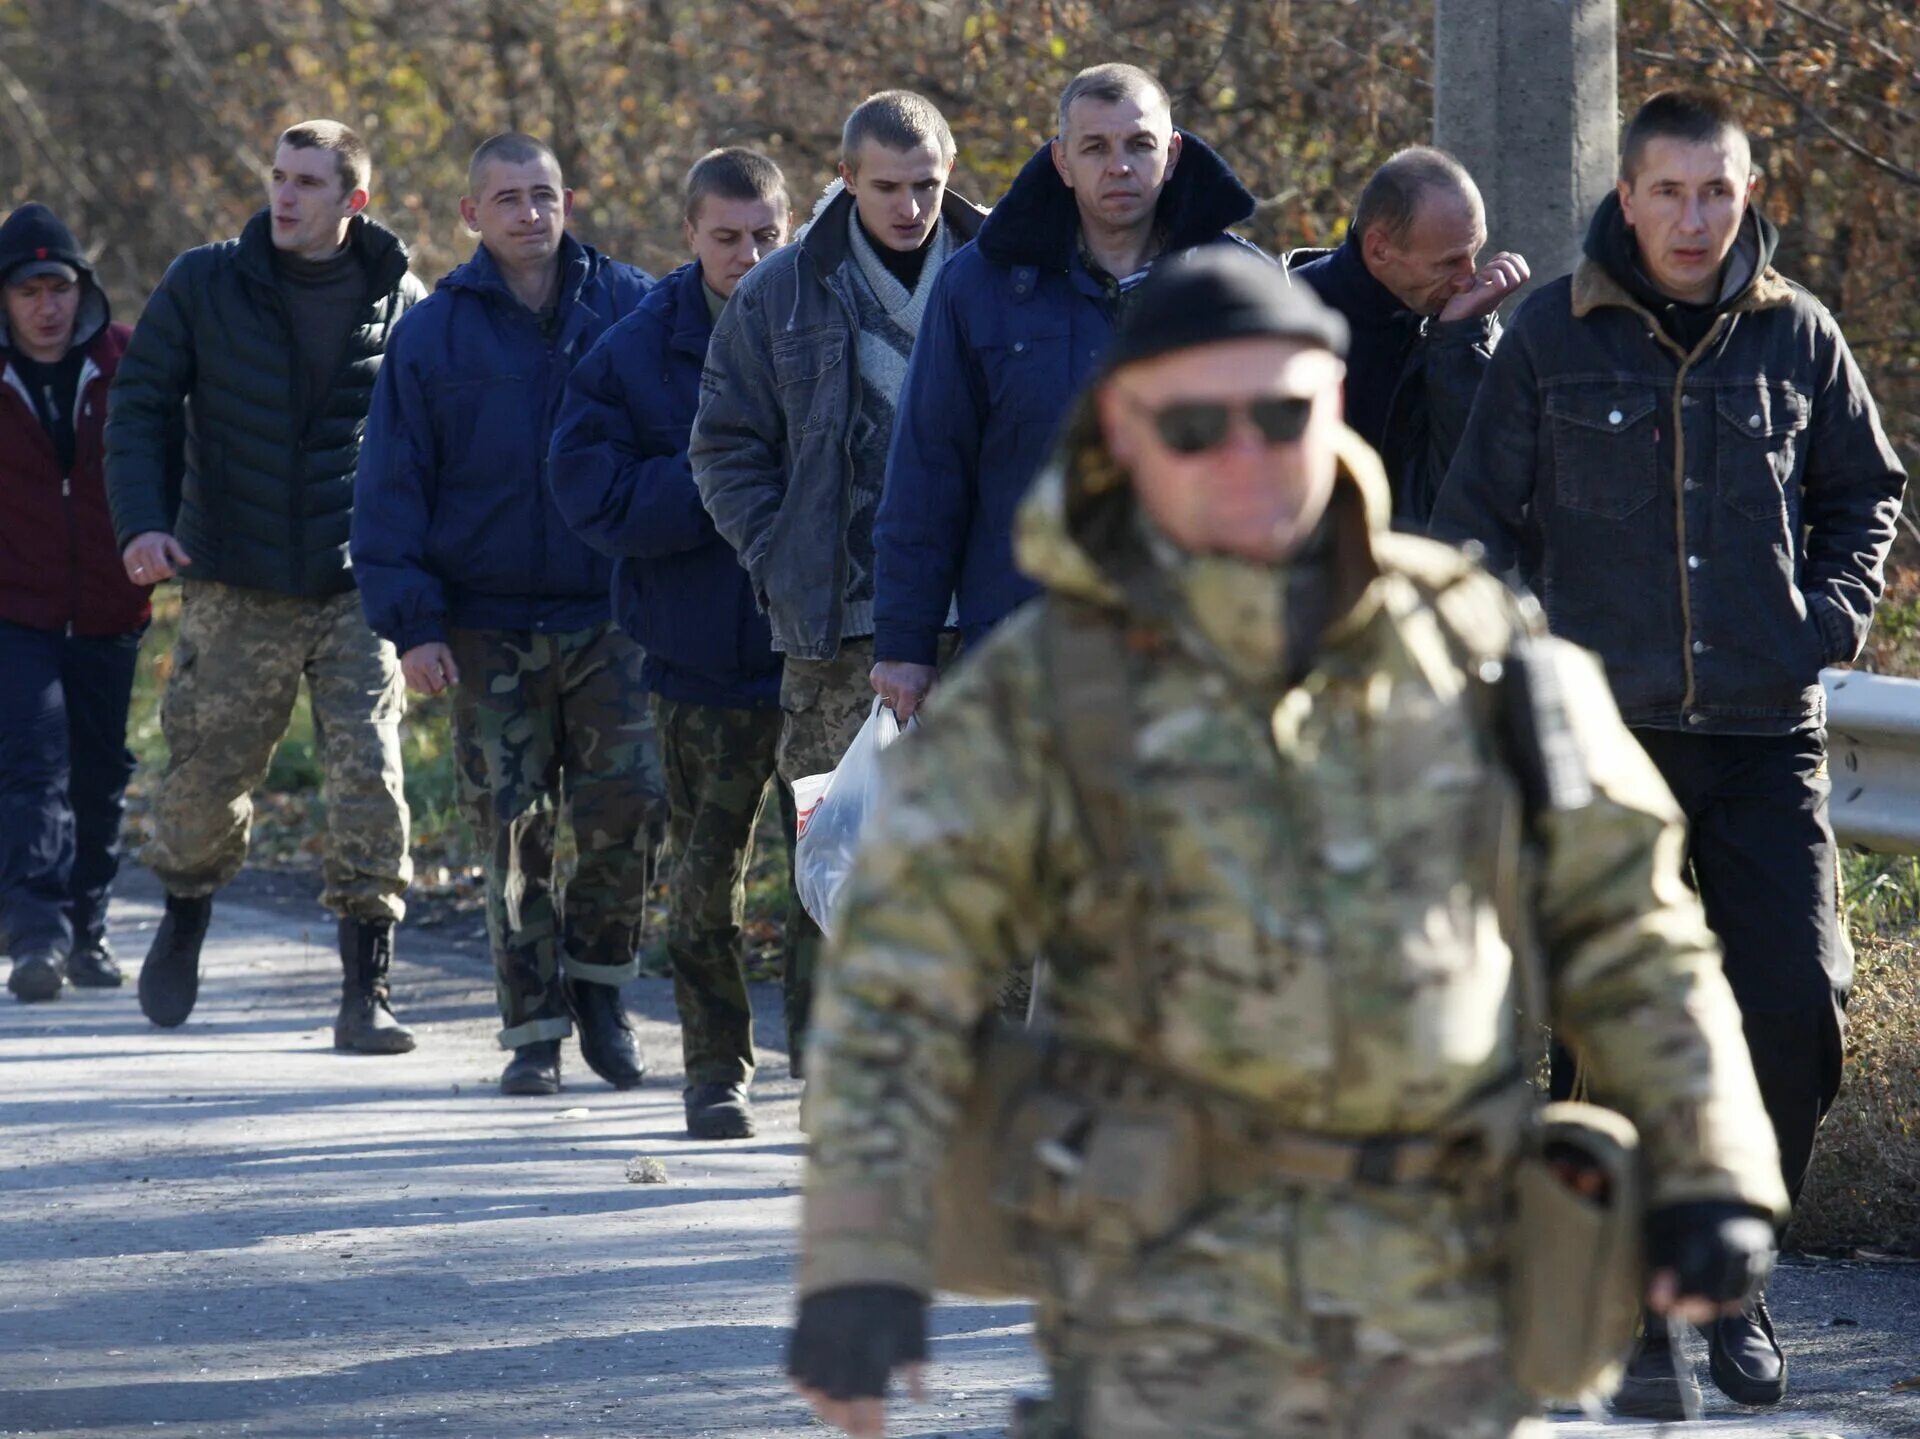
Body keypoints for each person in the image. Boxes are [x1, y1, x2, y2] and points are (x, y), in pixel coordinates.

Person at [786, 249, 1790, 1439]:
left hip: (1438, 1307)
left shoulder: (1472, 649)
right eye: (1198, 424)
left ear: (1332, 404)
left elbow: (1634, 932)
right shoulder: (1044, 687)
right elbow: (899, 983)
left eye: (1282, 414)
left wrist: (1709, 1167)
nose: (1249, 454)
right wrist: (858, 1255)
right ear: (1126, 429)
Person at [1429, 90, 1906, 1417]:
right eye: (1669, 192)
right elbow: (1474, 525)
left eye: (1719, 192)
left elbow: (1866, 490)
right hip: (1602, 739)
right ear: (1626, 198)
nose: (1695, 218)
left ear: (1747, 197)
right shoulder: (1550, 336)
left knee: (1796, 1010)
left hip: (1763, 735)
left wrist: (1823, 618)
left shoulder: (1797, 336)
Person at [106, 119, 427, 1051]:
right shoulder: (205, 282)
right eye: (279, 177)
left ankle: (367, 990)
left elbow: (431, 438)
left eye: (309, 183)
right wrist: (144, 522)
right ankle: (185, 913)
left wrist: (427, 571)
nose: (284, 196)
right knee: (206, 779)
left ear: (352, 202)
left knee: (373, 776)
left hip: (354, 582)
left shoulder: (401, 298)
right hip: (234, 574)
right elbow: (140, 404)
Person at [351, 133, 659, 1096]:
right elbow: (391, 484)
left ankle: (602, 989)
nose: (530, 213)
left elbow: (685, 437)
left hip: (614, 612)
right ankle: (532, 1029)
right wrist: (414, 624)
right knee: (514, 831)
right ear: (469, 216)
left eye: (543, 194)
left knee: (629, 810)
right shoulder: (434, 333)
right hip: (486, 626)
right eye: (507, 198)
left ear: (568, 200)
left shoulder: (632, 307)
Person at [690, 92, 987, 1070]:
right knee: (837, 868)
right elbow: (722, 442)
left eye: (927, 186)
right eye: (888, 187)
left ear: (950, 173)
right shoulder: (782, 290)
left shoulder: (1000, 276)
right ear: (847, 180)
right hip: (833, 635)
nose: (909, 208)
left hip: (975, 622)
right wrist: (780, 553)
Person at [868, 62, 1264, 720]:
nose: (1119, 165)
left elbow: (1292, 469)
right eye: (1095, 147)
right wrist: (906, 643)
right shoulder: (979, 288)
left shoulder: (1238, 286)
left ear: (1172, 155)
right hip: (1028, 646)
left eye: (1139, 144)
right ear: (1061, 161)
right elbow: (928, 469)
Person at [550, 147, 797, 1136]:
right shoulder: (634, 346)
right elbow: (588, 492)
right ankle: (714, 1071)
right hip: (698, 653)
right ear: (689, 236)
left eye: (766, 235)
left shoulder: (826, 321)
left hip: (822, 649)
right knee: (705, 887)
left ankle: (825, 1061)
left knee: (838, 869)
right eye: (726, 237)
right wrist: (718, 480)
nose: (747, 254)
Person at [0, 203, 154, 1002]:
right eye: (29, 291)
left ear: (80, 288)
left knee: (100, 775)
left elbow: (178, 450)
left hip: (109, 606)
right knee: (33, 768)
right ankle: (35, 936)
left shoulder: (127, 359)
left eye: (58, 286)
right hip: (14, 613)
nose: (46, 306)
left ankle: (88, 929)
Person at [1288, 147, 1527, 527]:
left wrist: (1461, 340)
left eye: (1475, 253)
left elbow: (1482, 489)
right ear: (1380, 250)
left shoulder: (1462, 322)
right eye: (1450, 262)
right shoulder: (1281, 326)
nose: (1469, 278)